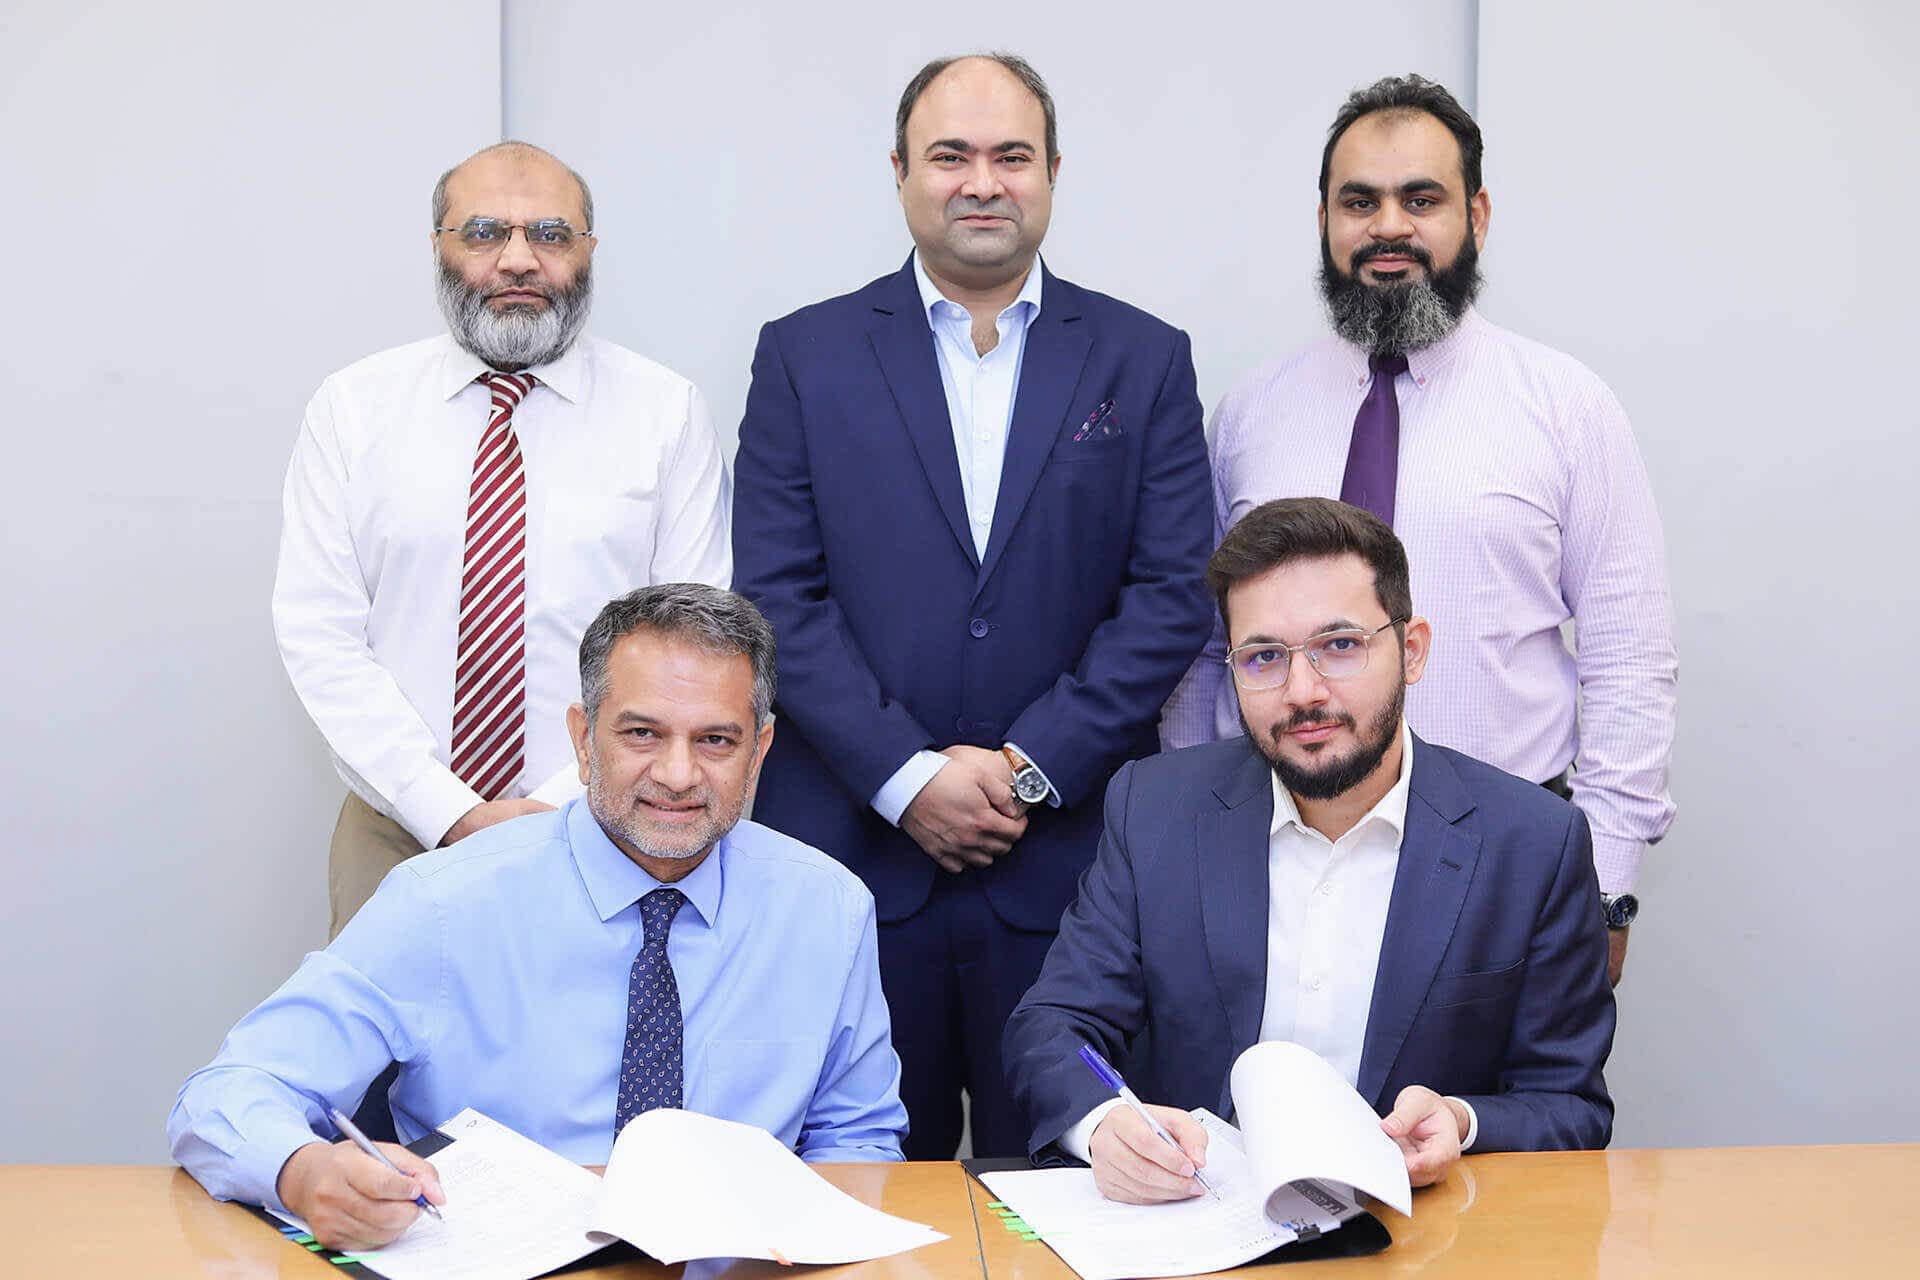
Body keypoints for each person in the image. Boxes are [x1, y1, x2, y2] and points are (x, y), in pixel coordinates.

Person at [731, 52, 1213, 1158]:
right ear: (901, 172)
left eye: (1011, 156)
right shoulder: (803, 357)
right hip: (850, 858)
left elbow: (1173, 592)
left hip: (1068, 873)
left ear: (1053, 173)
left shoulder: (1143, 360)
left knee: (1065, 1192)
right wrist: (909, 777)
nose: (981, 181)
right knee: (846, 1200)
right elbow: (776, 598)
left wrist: (1027, 764)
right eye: (951, 155)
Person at [171, 585, 907, 1249]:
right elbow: (228, 1092)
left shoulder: (828, 910)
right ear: (583, 740)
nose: (680, 776)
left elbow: (857, 1137)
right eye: (641, 734)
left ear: (759, 750)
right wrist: (304, 1173)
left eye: (715, 740)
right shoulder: (443, 903)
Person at [1161, 75, 1674, 985]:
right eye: (1360, 201)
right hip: (1277, 852)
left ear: (1475, 216)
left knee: (1492, 1123)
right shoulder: (1251, 414)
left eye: (1421, 199)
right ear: (1324, 218)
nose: (1387, 227)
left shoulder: (1567, 409)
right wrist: (1192, 839)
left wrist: (1605, 885)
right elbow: (1207, 652)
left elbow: (1628, 659)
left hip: (1507, 864)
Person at [1008, 499, 1615, 1202]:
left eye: (1340, 646)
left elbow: (1570, 1105)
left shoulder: (1532, 841)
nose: (1302, 692)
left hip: (1420, 1236)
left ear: (1411, 650)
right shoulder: (1155, 810)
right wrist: (1105, 1122)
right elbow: (1054, 1027)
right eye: (1264, 657)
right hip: (1199, 1221)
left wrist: (1462, 1119)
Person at [274, 140, 731, 937]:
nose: (519, 259)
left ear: (588, 252)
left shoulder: (667, 412)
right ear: (439, 249)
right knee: (388, 1061)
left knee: (594, 1058)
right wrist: (446, 810)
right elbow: (320, 634)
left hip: (619, 821)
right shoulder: (353, 409)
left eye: (552, 235)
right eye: (485, 232)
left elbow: (688, 644)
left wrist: (553, 808)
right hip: (399, 822)